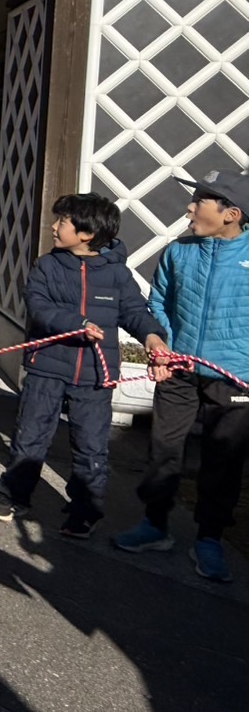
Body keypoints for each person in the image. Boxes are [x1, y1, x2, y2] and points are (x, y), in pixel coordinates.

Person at [0, 194, 167, 537]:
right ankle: (12, 496)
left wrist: (153, 337)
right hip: (47, 367)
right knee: (30, 436)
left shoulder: (116, 274)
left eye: (62, 222)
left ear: (86, 233)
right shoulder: (46, 266)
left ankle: (85, 510)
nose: (54, 227)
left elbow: (134, 312)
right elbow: (38, 307)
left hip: (96, 375)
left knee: (91, 444)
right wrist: (76, 324)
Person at [113, 169, 249, 584]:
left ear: (232, 214)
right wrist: (160, 348)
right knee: (164, 448)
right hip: (180, 369)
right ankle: (155, 525)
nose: (190, 207)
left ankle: (209, 538)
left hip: (237, 379)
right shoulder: (179, 252)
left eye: (202, 200)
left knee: (223, 460)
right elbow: (161, 303)